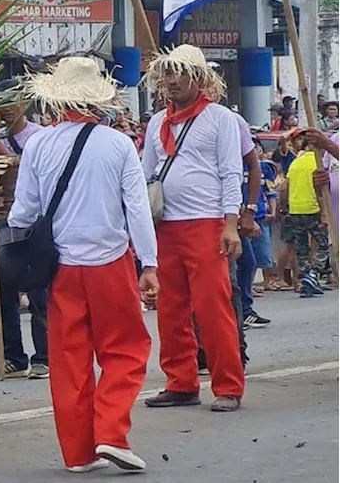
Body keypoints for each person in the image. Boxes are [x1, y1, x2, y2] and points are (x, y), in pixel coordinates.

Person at [7, 57, 156, 473]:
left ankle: (78, 454)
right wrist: (150, 263)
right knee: (126, 349)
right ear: (100, 100)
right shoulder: (119, 144)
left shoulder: (38, 144)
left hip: (60, 268)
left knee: (69, 358)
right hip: (110, 261)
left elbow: (23, 213)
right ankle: (110, 432)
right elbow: (137, 210)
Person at [141, 45, 245, 413]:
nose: (170, 81)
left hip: (207, 224)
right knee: (170, 310)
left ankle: (228, 386)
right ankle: (181, 383)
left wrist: (231, 224)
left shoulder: (220, 119)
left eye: (177, 73)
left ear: (198, 78)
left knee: (213, 308)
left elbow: (232, 171)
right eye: (166, 74)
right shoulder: (157, 123)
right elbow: (145, 176)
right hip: (165, 226)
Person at [0, 78, 49, 380]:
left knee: (37, 290)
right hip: (2, 220)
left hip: (33, 223)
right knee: (4, 287)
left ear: (23, 101)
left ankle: (44, 356)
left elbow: (26, 175)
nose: (5, 109)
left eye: (10, 101)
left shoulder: (40, 137)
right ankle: (12, 356)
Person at [279, 128, 331, 297]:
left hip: (295, 210)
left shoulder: (295, 163)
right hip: (313, 208)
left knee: (301, 249)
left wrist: (284, 208)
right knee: (323, 245)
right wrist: (324, 213)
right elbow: (320, 189)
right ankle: (313, 274)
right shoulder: (317, 163)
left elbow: (284, 188)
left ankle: (305, 280)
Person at [237, 138, 276, 327]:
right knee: (243, 264)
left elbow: (268, 191)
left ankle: (243, 310)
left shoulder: (259, 167)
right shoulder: (232, 162)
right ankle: (240, 311)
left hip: (242, 217)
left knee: (248, 263)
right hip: (228, 218)